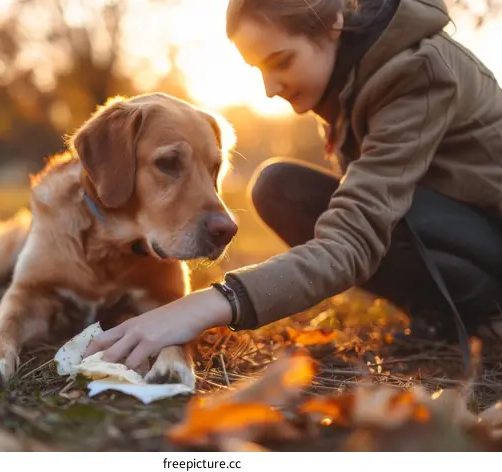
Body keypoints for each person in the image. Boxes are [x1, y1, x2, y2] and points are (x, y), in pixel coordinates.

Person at [83, 0, 502, 369]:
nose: (268, 89)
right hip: (461, 229)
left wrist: (209, 304)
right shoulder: (353, 76)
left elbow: (354, 238)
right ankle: (441, 314)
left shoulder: (417, 73)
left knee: (355, 207)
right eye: (258, 69)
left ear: (333, 24)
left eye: (281, 61)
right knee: (279, 188)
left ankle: (489, 313)